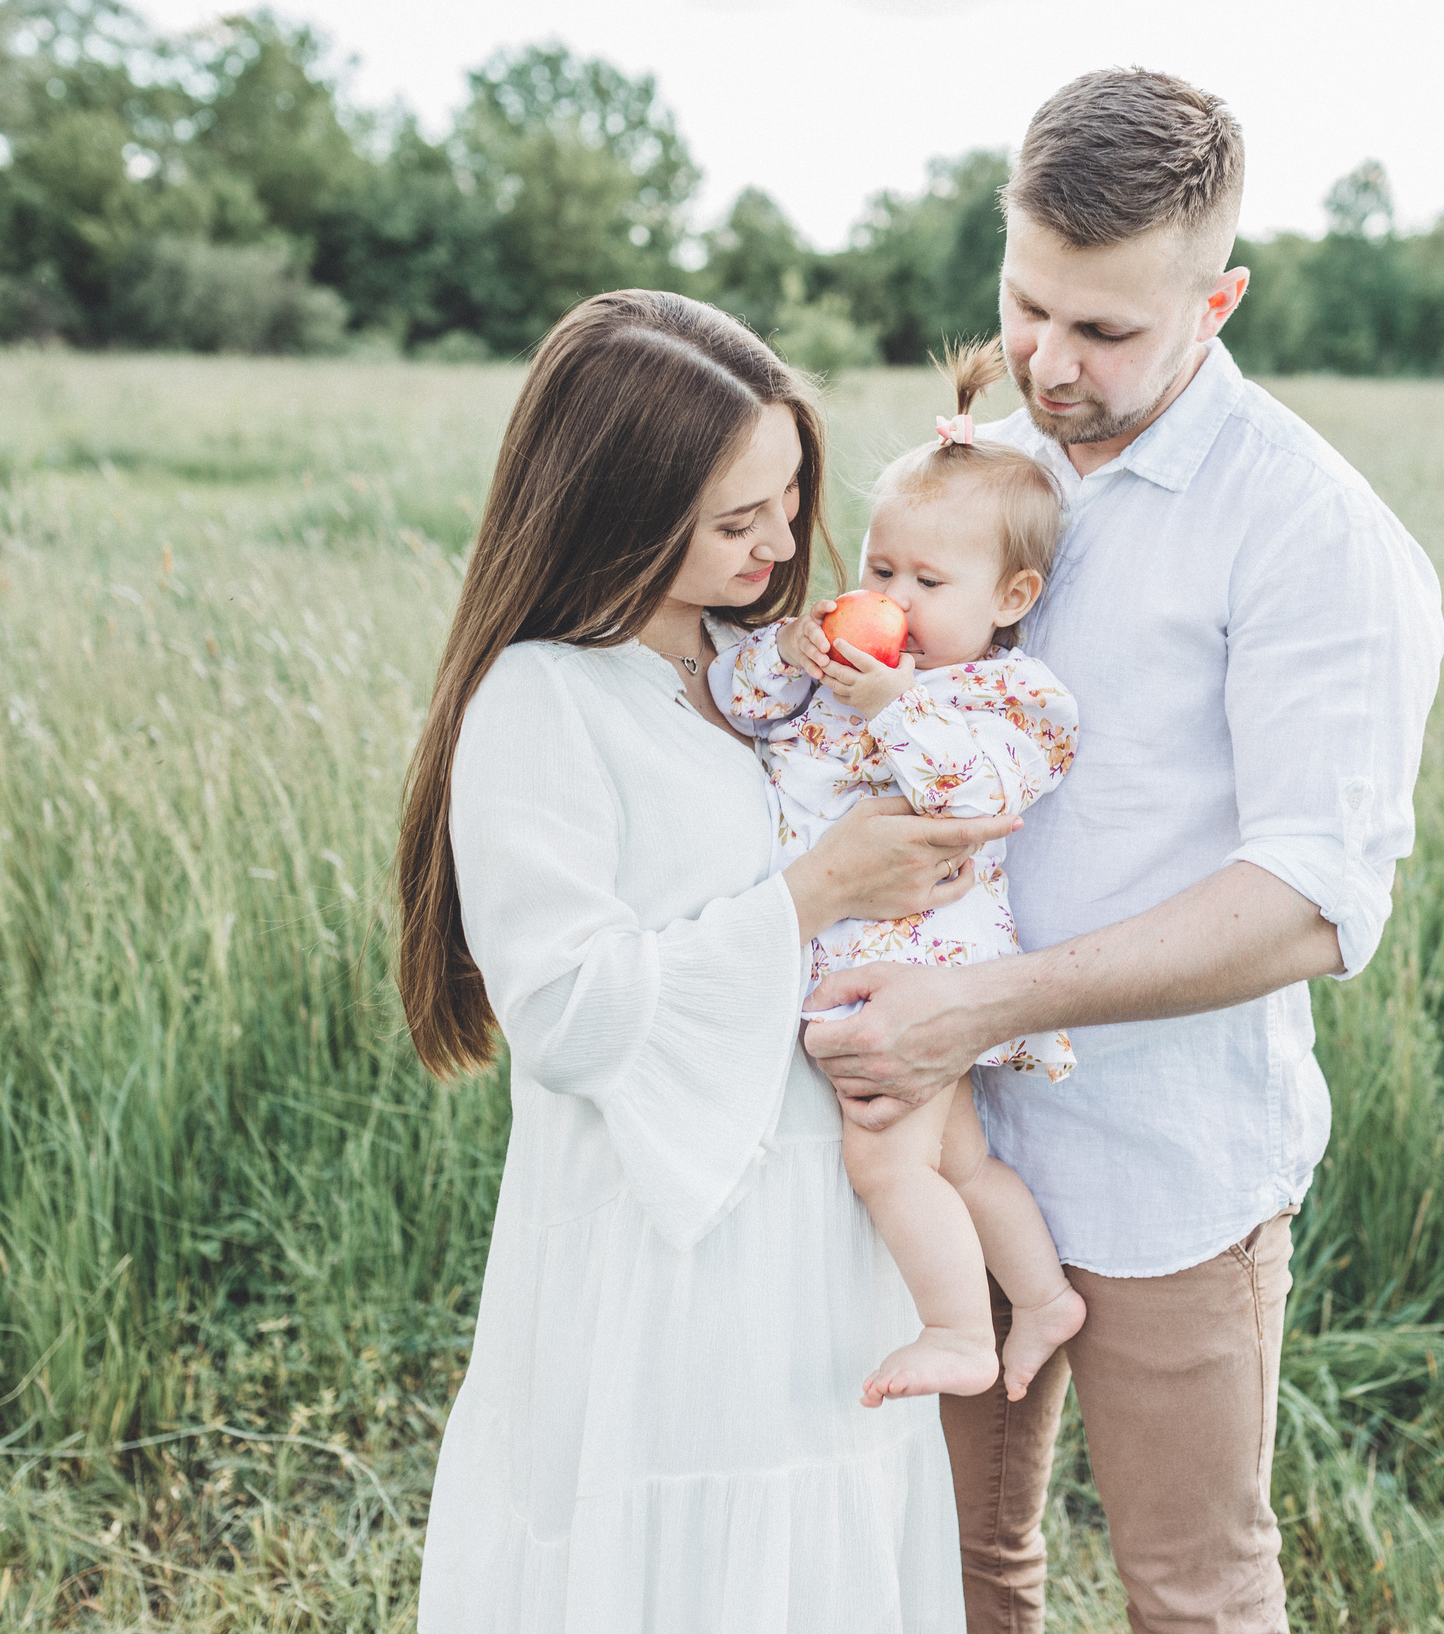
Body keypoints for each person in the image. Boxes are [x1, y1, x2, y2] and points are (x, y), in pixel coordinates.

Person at [801, 71, 1444, 1633]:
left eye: (1108, 332)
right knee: (947, 1573)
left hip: (1171, 1160)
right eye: (1030, 308)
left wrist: (997, 997)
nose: (1051, 362)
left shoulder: (1310, 531)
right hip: (942, 1140)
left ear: (1217, 298)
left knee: (1192, 1591)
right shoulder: (973, 480)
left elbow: (1309, 899)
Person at [398, 290, 1015, 1633]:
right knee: (674, 1561)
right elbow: (565, 1009)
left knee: (818, 1551)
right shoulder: (543, 699)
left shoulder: (766, 673)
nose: (784, 541)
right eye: (738, 518)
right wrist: (819, 887)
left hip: (825, 1236)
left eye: (791, 498)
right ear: (618, 504)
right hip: (658, 1253)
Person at [717, 340, 1088, 1413]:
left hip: (919, 977)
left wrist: (896, 707)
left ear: (1011, 595)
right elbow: (742, 708)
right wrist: (784, 656)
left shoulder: (1007, 699)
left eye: (929, 582)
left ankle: (960, 1331)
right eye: (881, 570)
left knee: (885, 1163)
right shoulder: (845, 674)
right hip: (872, 955)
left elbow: (974, 798)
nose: (894, 598)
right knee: (959, 1162)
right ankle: (1042, 1293)